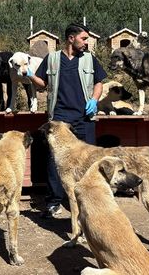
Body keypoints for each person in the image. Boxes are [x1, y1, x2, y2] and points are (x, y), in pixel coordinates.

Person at [28, 23, 106, 218]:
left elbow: (99, 82)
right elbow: (43, 84)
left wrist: (94, 100)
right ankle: (54, 202)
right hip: (60, 119)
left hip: (84, 117)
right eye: (84, 38)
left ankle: (88, 200)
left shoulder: (89, 59)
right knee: (55, 161)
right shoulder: (52, 59)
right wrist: (29, 75)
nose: (87, 42)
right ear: (71, 38)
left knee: (89, 159)